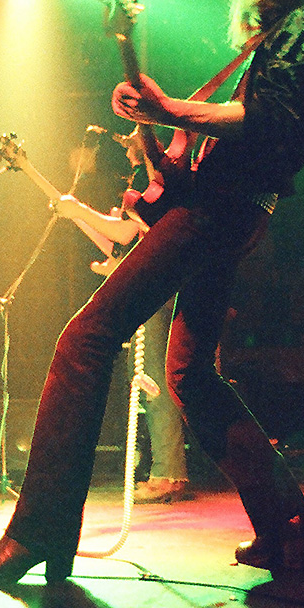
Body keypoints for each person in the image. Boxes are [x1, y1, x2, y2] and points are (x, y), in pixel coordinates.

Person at [0, 0, 304, 586]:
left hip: (219, 210)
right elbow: (225, 139)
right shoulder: (288, 34)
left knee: (85, 340)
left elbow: (268, 124)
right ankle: (284, 524)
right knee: (190, 373)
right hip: (225, 206)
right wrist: (158, 130)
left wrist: (169, 109)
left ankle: (38, 533)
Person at [53, 133, 191, 504]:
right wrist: (76, 215)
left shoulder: (153, 176)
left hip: (160, 286)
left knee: (155, 376)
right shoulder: (142, 179)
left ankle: (168, 473)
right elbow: (117, 243)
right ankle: (168, 468)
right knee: (148, 375)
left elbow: (127, 232)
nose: (123, 142)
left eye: (131, 136)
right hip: (158, 283)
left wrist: (79, 210)